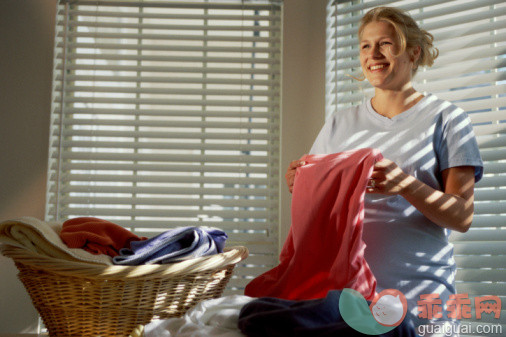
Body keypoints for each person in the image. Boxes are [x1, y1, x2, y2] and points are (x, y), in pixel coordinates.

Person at [285, 6, 483, 334]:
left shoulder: (448, 119)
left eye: (386, 43)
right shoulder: (339, 123)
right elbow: (318, 207)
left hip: (421, 298)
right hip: (348, 302)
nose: (373, 54)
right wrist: (301, 183)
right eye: (365, 45)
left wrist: (405, 184)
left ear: (413, 52)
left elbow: (461, 216)